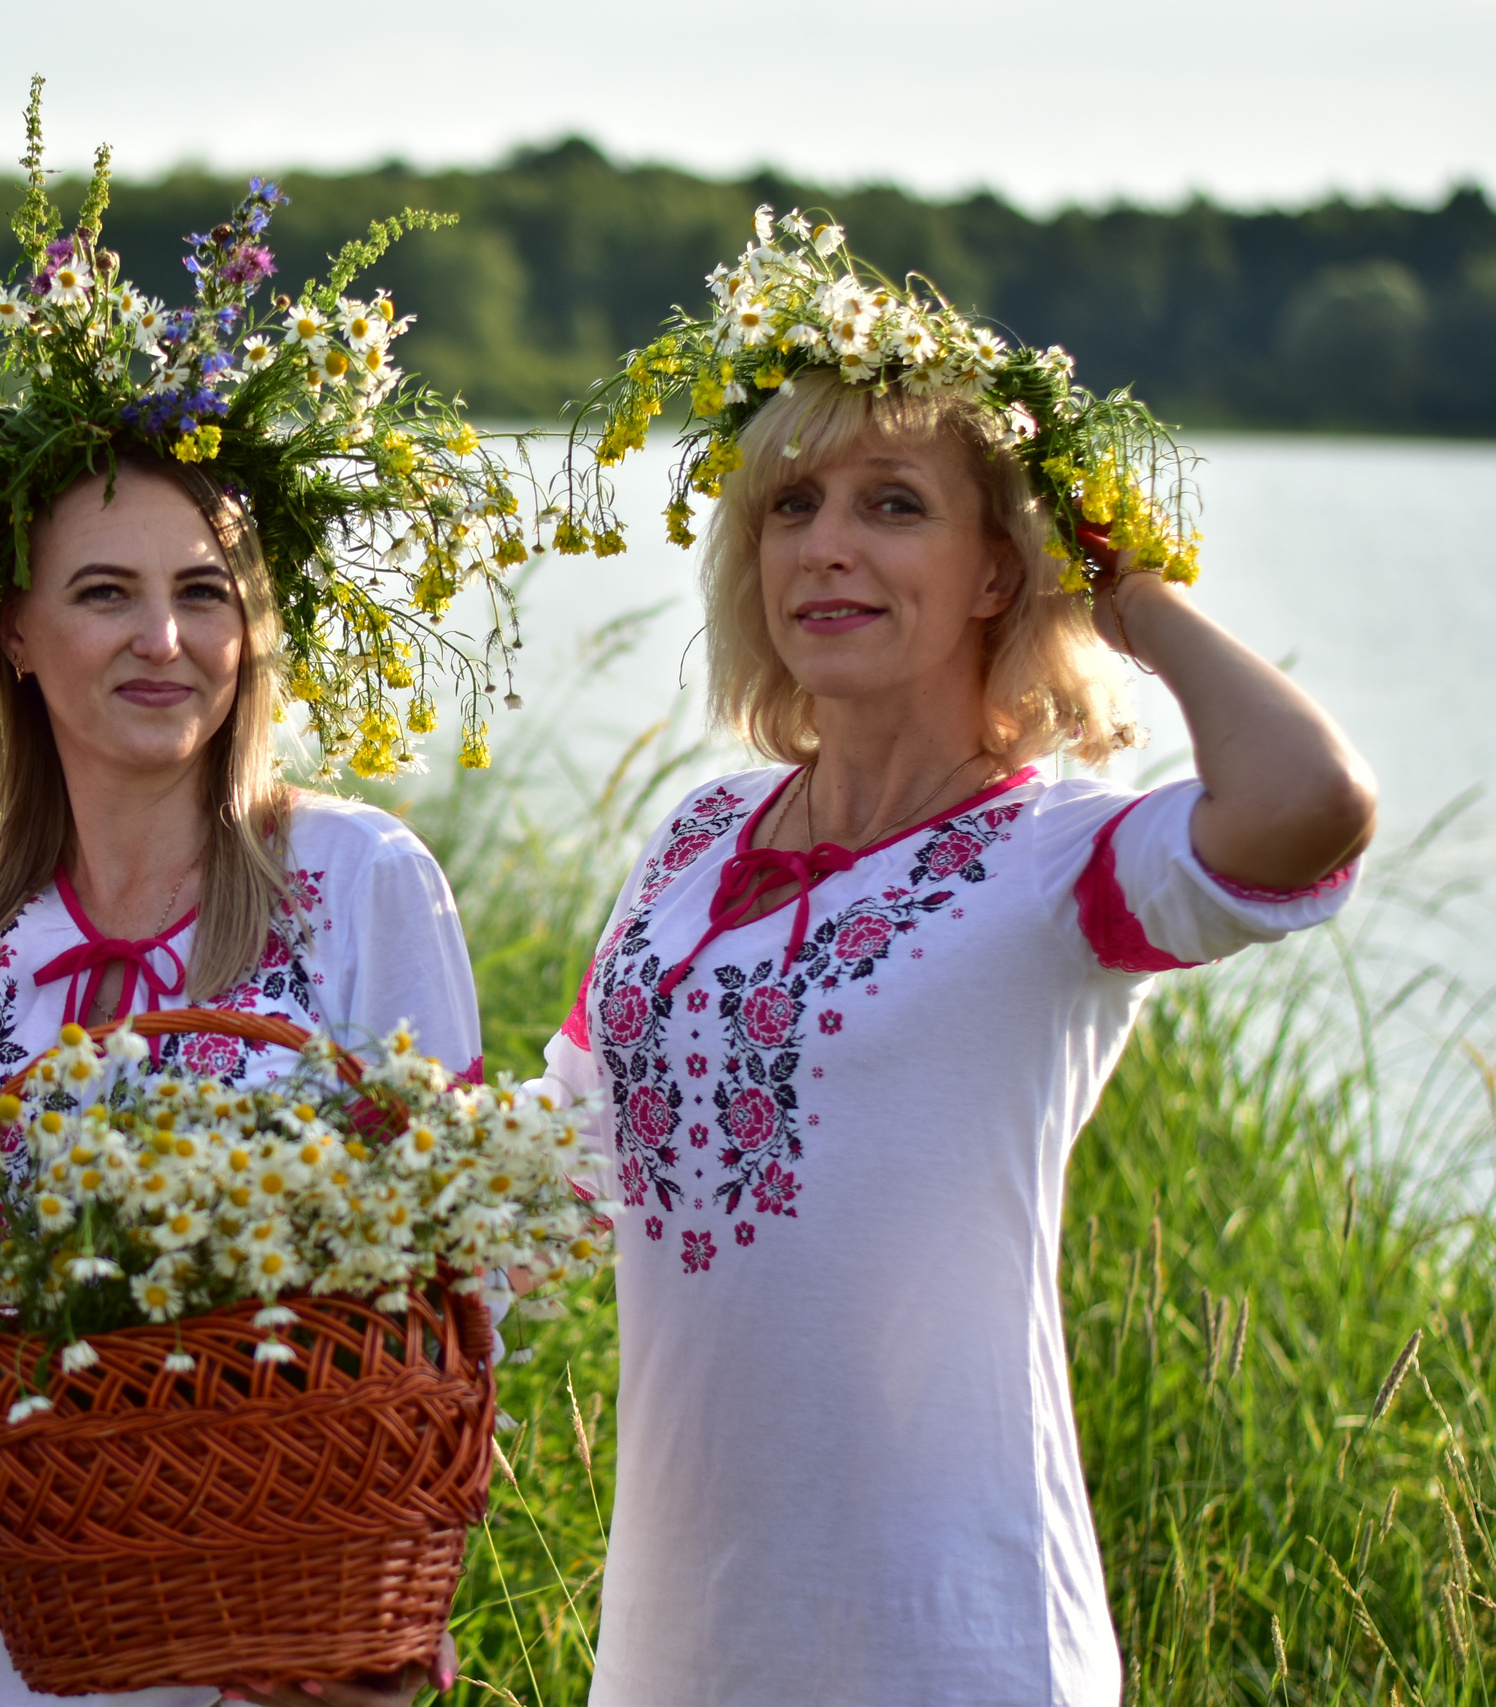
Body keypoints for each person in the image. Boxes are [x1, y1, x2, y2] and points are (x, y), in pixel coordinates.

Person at [542, 211, 1375, 1704]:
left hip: (956, 1634)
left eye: (895, 504)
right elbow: (555, 1151)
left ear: (998, 570)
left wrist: (1132, 593)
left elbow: (1308, 809)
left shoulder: (1060, 859)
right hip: (684, 1633)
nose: (829, 545)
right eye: (792, 503)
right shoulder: (691, 834)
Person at [0, 460, 480, 1707]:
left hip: (246, 1599)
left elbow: (452, 1266)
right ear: (11, 630)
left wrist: (387, 1600)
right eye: (104, 593)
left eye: (203, 593)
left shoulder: (352, 873)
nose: (162, 640)